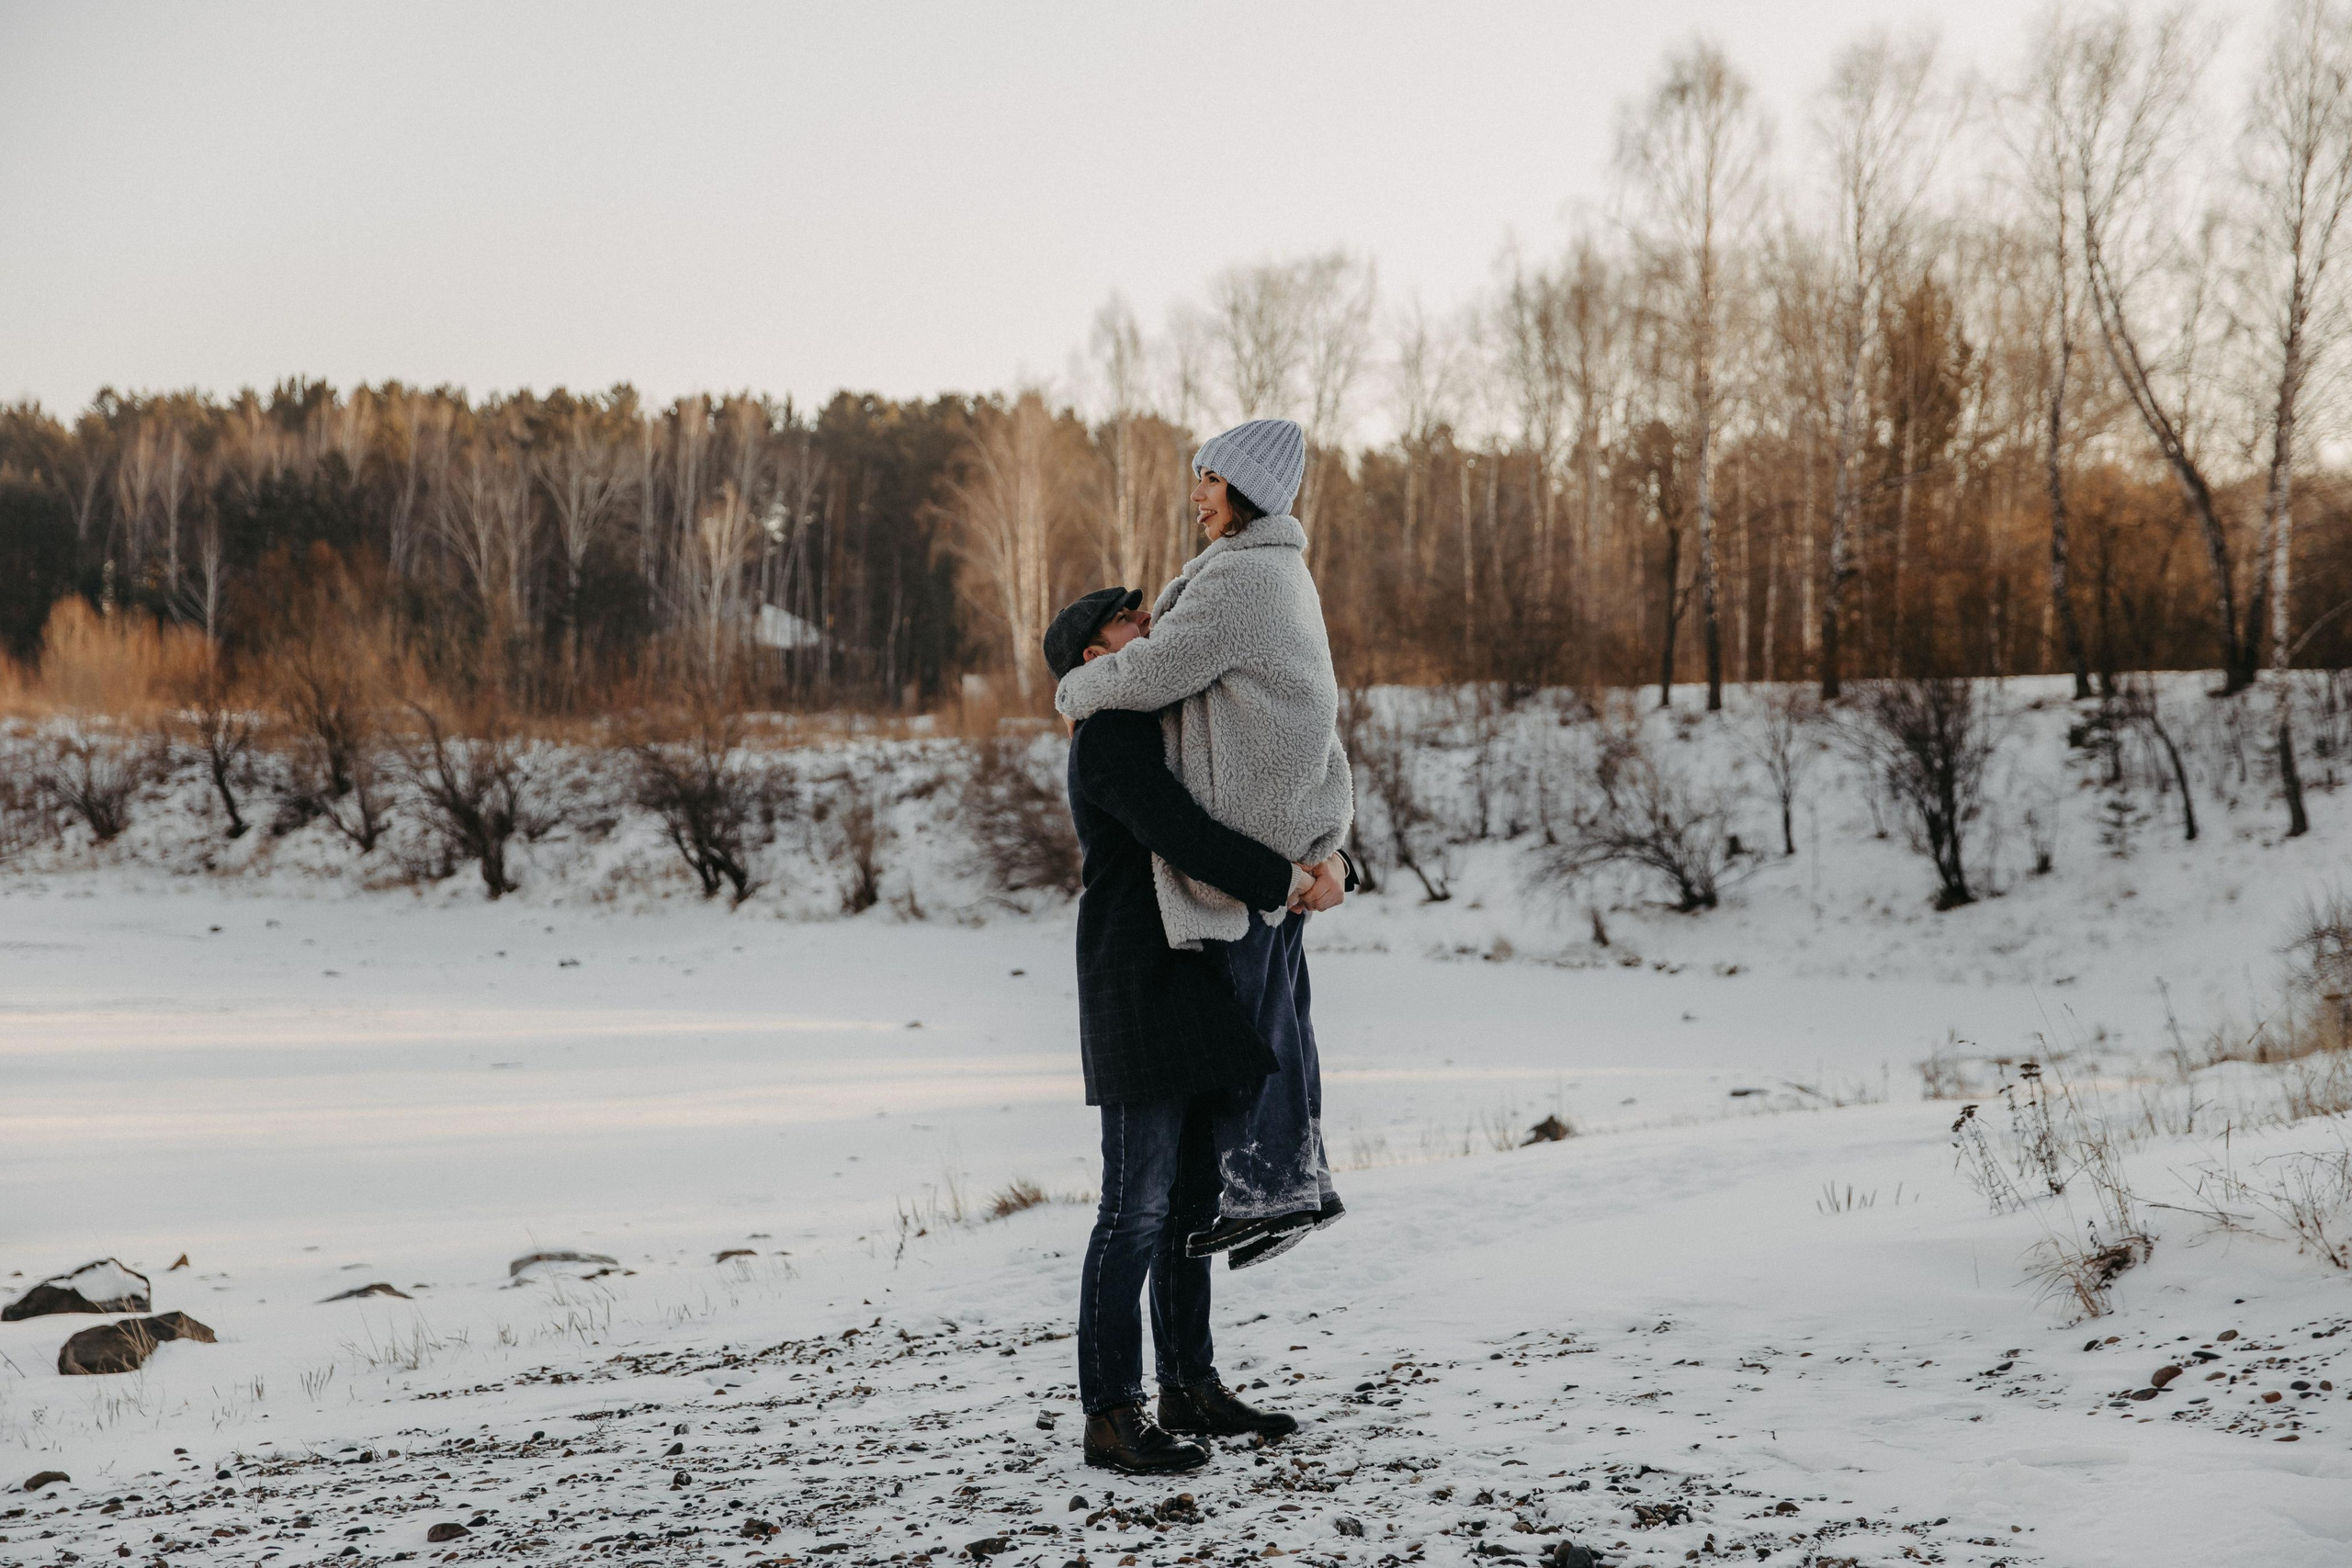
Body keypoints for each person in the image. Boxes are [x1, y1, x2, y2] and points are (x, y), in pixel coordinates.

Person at [1045, 585, 1344, 1476]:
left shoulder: (1173, 725)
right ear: (1100, 660)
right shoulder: (1112, 736)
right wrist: (1285, 880)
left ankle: (1189, 1387)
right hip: (1136, 983)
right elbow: (1180, 833)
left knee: (1185, 1208)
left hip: (1193, 976)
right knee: (1132, 1209)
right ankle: (1111, 1415)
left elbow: (1245, 803)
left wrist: (1321, 860)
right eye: (1132, 624)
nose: (1153, 630)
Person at [1052, 418, 1352, 1266]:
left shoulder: (1241, 582)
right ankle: (1277, 1192)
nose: (1196, 495)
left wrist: (1078, 686)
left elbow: (1155, 669)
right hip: (1279, 834)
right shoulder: (1275, 573)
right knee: (1277, 1027)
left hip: (1253, 842)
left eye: (1210, 480)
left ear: (1247, 490)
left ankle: (1272, 1191)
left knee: (1258, 1038)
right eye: (1197, 477)